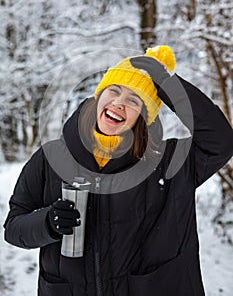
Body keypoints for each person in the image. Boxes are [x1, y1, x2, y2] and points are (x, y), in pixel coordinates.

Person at [4, 45, 233, 296]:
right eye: (113, 91)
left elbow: (220, 142)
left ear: (143, 118)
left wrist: (168, 85)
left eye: (134, 100)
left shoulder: (168, 164)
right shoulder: (51, 158)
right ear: (98, 96)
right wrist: (47, 223)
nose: (119, 103)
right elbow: (14, 227)